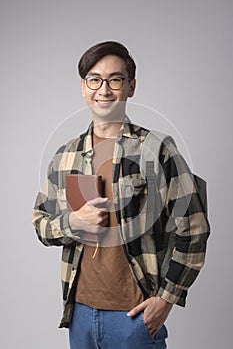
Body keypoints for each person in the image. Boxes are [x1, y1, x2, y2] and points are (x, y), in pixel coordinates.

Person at [32, 41, 210, 349]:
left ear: (131, 86)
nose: (104, 89)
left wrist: (166, 300)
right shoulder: (65, 156)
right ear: (83, 86)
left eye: (115, 79)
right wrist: (73, 222)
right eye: (94, 79)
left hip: (134, 317)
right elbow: (41, 225)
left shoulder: (155, 149)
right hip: (80, 315)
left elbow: (193, 227)